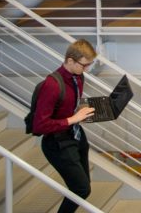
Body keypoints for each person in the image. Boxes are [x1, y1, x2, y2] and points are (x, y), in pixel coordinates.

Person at [32, 39, 97, 213]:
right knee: (81, 189)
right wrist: (72, 119)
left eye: (89, 64)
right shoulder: (51, 86)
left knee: (83, 186)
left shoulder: (79, 77)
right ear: (70, 60)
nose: (87, 69)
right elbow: (39, 126)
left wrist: (80, 111)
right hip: (57, 143)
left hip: (76, 135)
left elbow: (68, 106)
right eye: (84, 65)